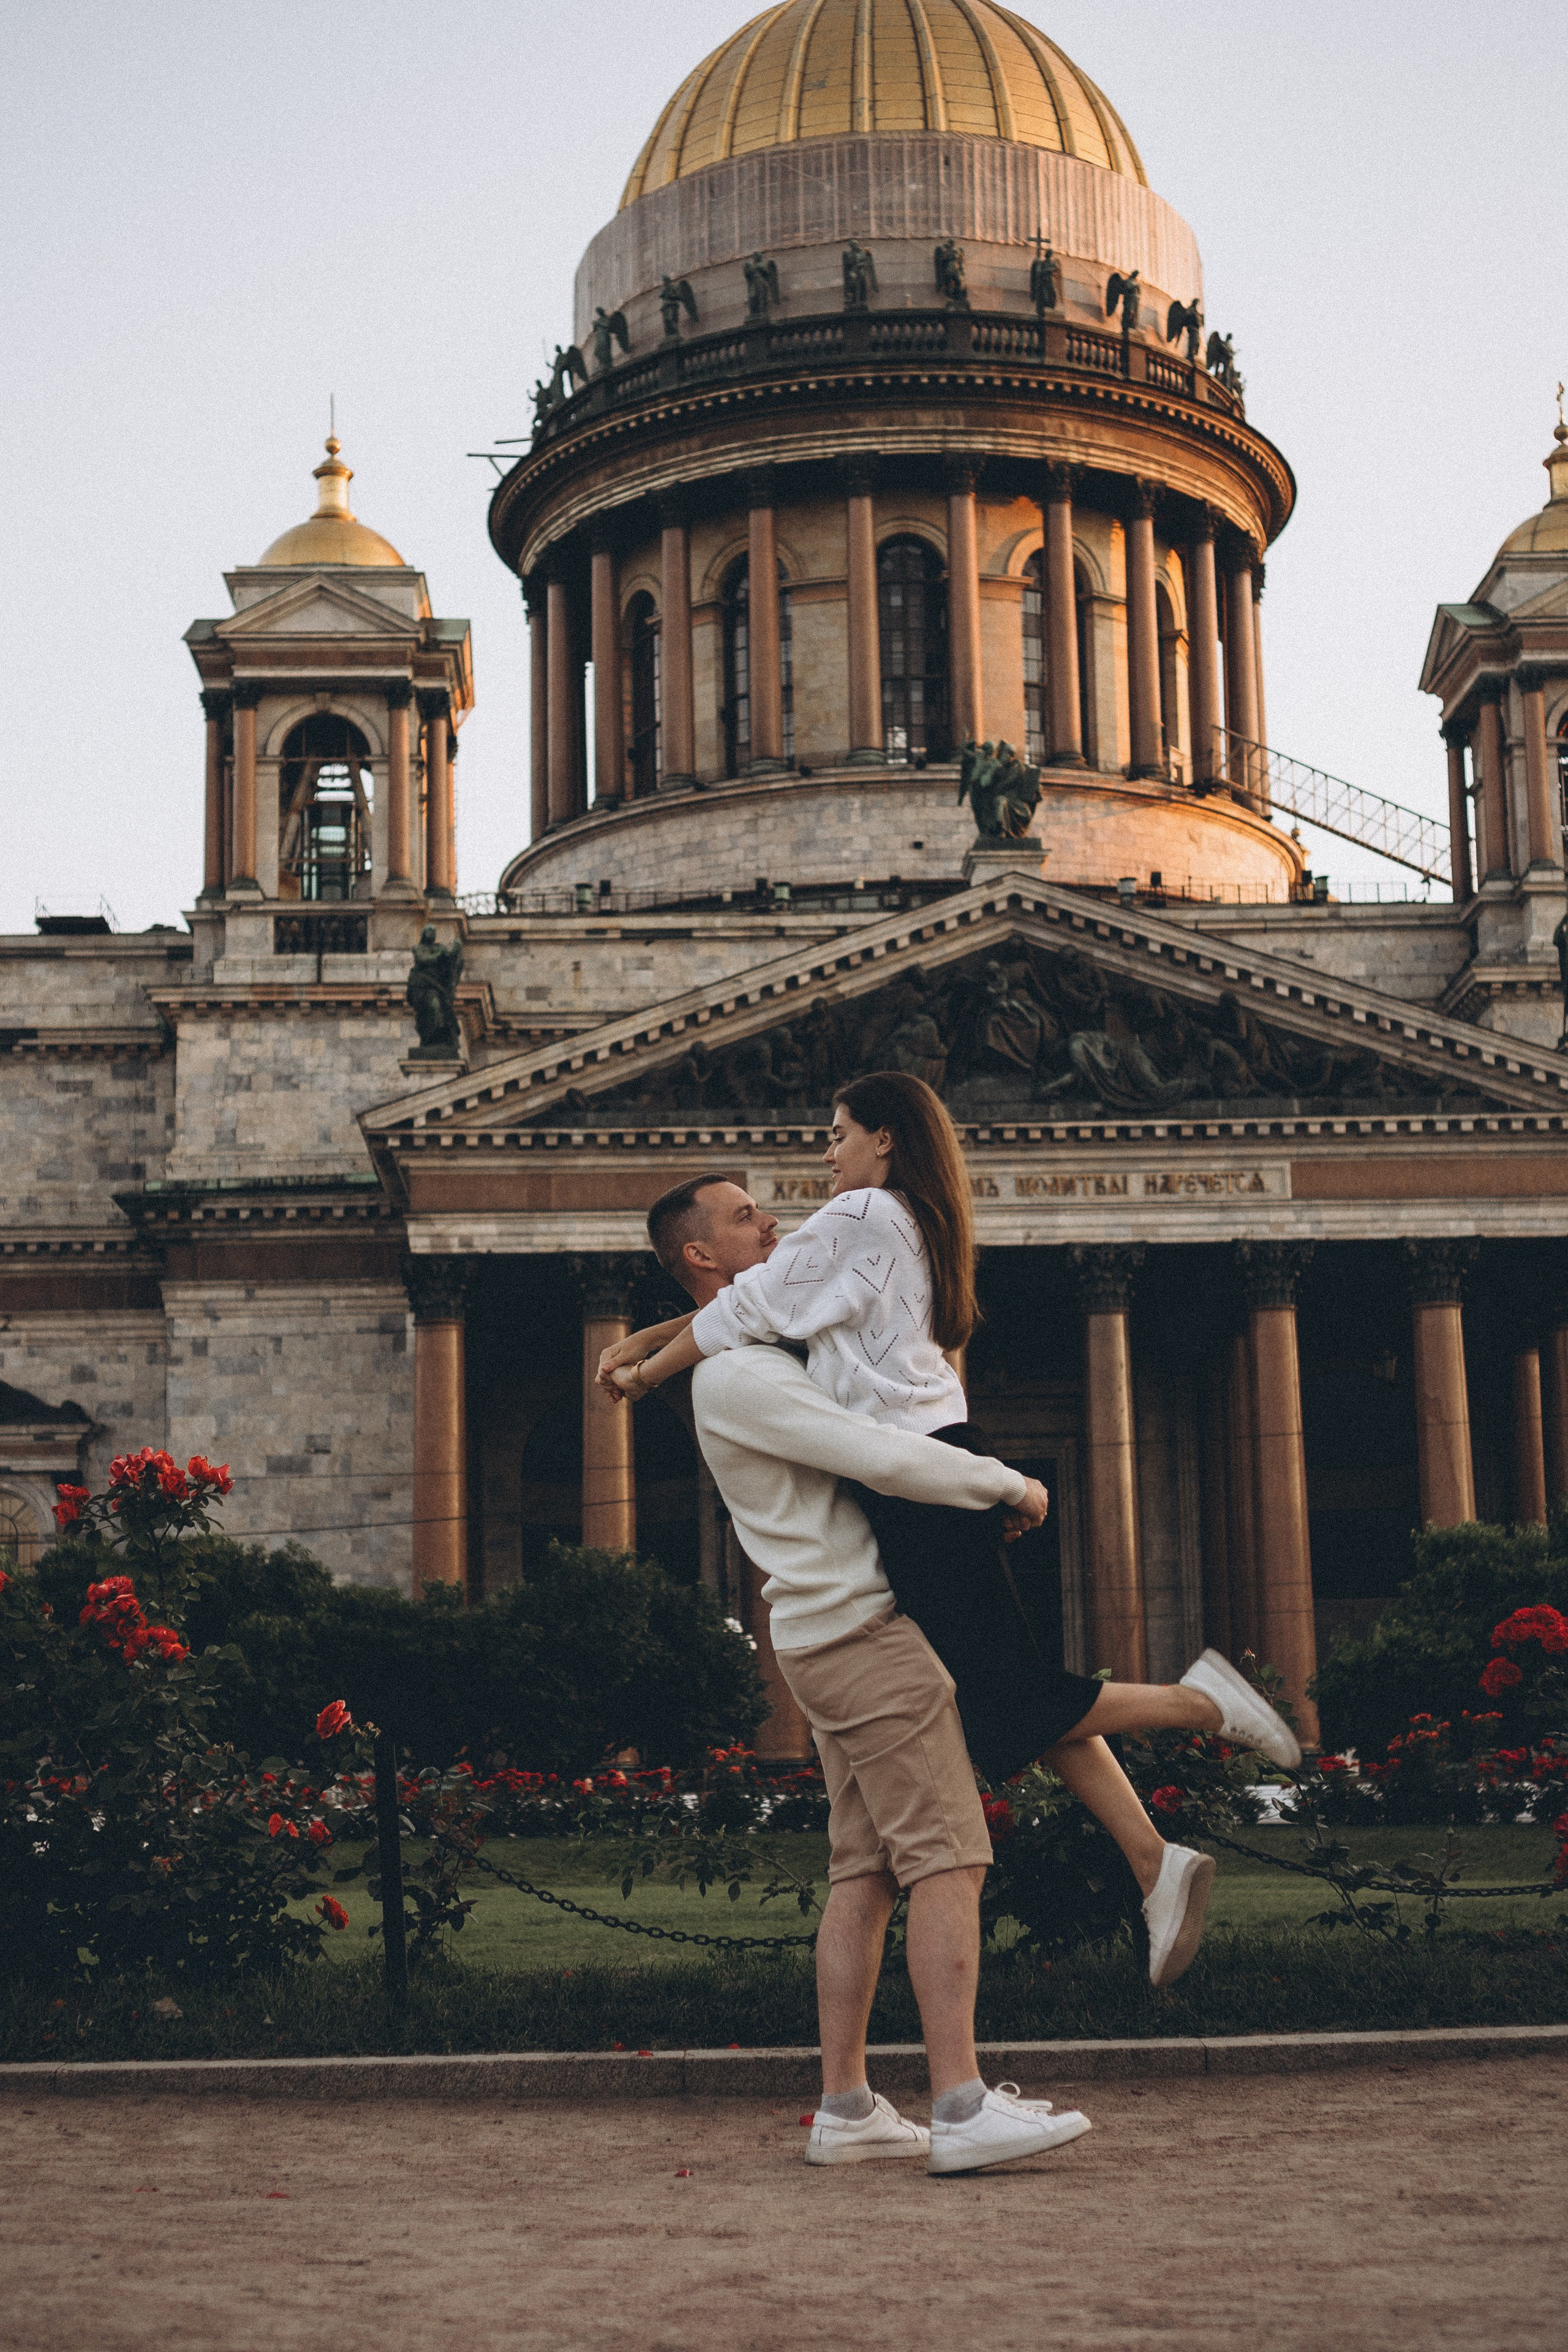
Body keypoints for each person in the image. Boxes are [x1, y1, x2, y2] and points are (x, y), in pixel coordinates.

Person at [627, 1166, 1302, 2174]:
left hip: (826, 1641)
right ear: (699, 1256)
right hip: (866, 1638)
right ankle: (961, 2103)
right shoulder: (746, 1377)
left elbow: (803, 1325)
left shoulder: (744, 1362)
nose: (772, 1223)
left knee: (864, 1875)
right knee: (951, 1859)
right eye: (742, 1217)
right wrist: (1010, 1482)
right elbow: (881, 1455)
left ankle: (848, 2107)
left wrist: (641, 1350)